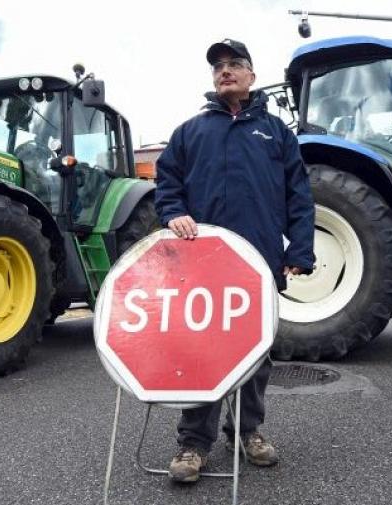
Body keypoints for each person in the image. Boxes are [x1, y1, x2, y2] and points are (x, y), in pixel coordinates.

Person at [154, 38, 315, 484]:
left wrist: (299, 250)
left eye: (235, 64)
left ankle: (246, 431)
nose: (225, 70)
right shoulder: (190, 132)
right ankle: (193, 443)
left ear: (251, 76)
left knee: (256, 352)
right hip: (201, 265)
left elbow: (299, 195)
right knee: (201, 352)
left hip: (258, 262)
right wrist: (173, 212)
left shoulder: (277, 133)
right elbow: (167, 183)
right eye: (218, 66)